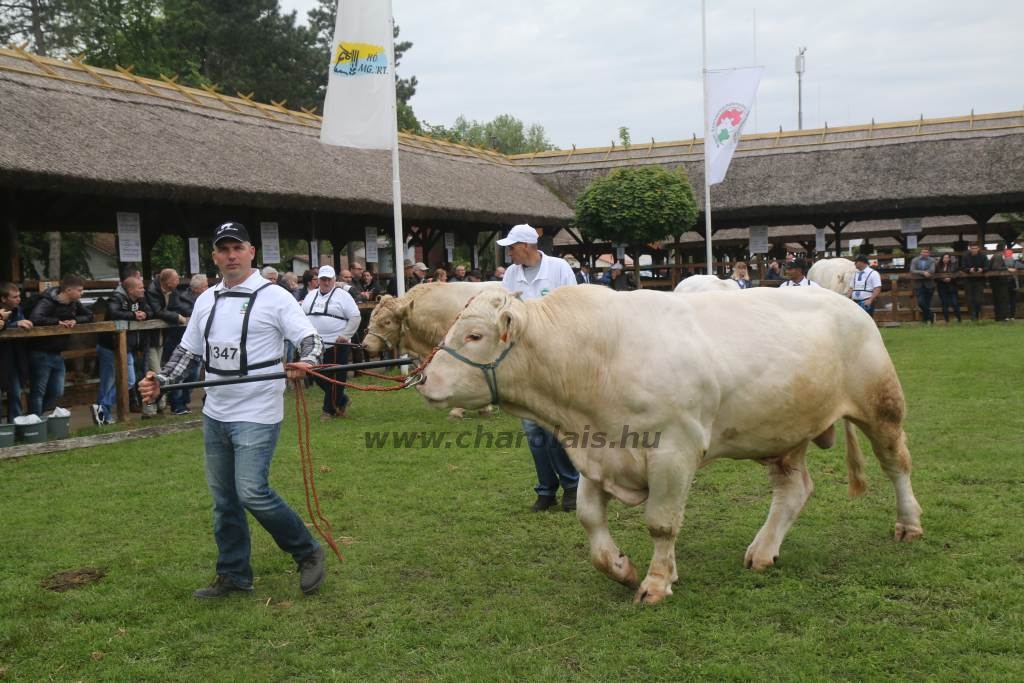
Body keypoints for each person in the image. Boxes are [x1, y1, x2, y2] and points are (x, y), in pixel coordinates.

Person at [138, 221, 326, 599]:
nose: (230, 255)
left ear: (251, 252)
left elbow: (310, 338)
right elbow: (188, 351)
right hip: (216, 411)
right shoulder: (206, 299)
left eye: (237, 248)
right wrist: (162, 379)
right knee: (224, 501)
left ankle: (307, 551)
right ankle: (234, 575)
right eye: (223, 250)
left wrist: (307, 360)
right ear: (214, 257)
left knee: (252, 491)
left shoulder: (276, 297)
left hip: (257, 409)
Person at [498, 223, 580, 512]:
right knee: (533, 432)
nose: (508, 253)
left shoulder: (559, 269)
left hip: (555, 361)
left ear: (528, 246)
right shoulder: (511, 274)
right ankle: (546, 490)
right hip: (523, 361)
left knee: (555, 431)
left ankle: (572, 487)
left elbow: (574, 310)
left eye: (512, 247)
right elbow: (505, 310)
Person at [28, 274, 93, 416]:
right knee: (38, 391)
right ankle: (34, 422)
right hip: (40, 351)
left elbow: (89, 315)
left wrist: (75, 320)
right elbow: (35, 318)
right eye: (80, 290)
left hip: (57, 352)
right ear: (69, 290)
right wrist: (57, 322)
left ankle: (37, 417)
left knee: (58, 391)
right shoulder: (47, 301)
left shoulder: (74, 303)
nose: (82, 293)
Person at [301, 265, 360, 420]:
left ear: (334, 280)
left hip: (336, 343)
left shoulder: (343, 296)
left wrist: (345, 335)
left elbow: (355, 317)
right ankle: (341, 399)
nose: (326, 282)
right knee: (313, 372)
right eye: (323, 279)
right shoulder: (310, 295)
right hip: (314, 344)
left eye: (329, 279)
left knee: (336, 377)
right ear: (318, 280)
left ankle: (329, 410)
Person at [92, 276, 152, 425]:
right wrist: (133, 315)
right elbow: (113, 313)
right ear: (130, 290)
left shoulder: (140, 299)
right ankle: (103, 415)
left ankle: (102, 407)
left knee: (130, 380)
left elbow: (150, 310)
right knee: (108, 381)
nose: (143, 289)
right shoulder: (116, 298)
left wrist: (145, 314)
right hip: (110, 347)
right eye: (140, 287)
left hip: (127, 347)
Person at [165, 274, 209, 414]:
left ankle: (184, 401)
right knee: (180, 374)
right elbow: (188, 311)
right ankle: (177, 404)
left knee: (194, 376)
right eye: (205, 286)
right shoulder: (182, 297)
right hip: (181, 341)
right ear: (197, 289)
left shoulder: (206, 299)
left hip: (198, 343)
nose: (207, 288)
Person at [144, 269, 186, 416]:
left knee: (160, 373)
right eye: (176, 279)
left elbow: (177, 308)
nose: (178, 282)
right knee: (154, 374)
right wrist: (177, 317)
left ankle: (160, 406)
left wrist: (191, 313)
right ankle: (149, 410)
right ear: (167, 281)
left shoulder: (172, 292)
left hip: (162, 338)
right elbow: (157, 311)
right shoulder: (152, 291)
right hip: (149, 339)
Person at [1, 282, 32, 420]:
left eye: (19, 296)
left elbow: (21, 325)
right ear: (3, 299)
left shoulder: (17, 310)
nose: (18, 299)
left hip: (12, 358)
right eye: (14, 297)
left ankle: (16, 427)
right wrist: (15, 324)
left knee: (15, 394)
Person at [908, 247, 937, 324]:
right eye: (923, 252)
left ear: (929, 253)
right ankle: (931, 315)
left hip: (929, 284)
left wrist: (927, 272)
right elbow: (912, 270)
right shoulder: (915, 260)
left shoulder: (932, 260)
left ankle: (925, 320)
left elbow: (932, 270)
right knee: (921, 302)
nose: (924, 254)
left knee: (927, 303)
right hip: (918, 284)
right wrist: (923, 273)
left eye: (926, 252)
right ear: (920, 253)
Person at [960, 243, 988, 321]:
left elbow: (987, 266)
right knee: (969, 299)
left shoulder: (983, 256)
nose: (974, 249)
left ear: (978, 248)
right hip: (968, 281)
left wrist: (982, 269)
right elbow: (963, 267)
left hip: (979, 280)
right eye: (972, 248)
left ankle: (977, 314)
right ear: (970, 248)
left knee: (978, 299)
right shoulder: (966, 256)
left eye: (975, 248)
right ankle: (973, 316)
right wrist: (969, 270)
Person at [934, 252, 962, 323]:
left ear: (949, 259)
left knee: (955, 303)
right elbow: (935, 277)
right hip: (942, 287)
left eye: (947, 258)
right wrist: (942, 279)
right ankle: (946, 320)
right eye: (944, 257)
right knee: (944, 303)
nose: (946, 259)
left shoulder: (954, 265)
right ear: (942, 258)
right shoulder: (938, 266)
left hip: (952, 286)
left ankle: (959, 319)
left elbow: (958, 273)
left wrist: (951, 278)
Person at [986, 246, 1012, 322]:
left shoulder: (995, 255)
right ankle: (1003, 317)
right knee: (1003, 299)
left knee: (997, 299)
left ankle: (998, 317)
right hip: (1000, 281)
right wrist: (1007, 269)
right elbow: (996, 267)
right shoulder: (999, 255)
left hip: (995, 281)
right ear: (1003, 249)